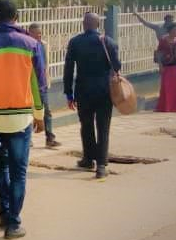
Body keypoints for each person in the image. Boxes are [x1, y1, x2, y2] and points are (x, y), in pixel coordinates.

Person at [0, 0, 46, 240]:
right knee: (18, 171)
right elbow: (39, 83)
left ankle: (4, 213)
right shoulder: (31, 44)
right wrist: (39, 114)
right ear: (16, 16)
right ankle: (13, 223)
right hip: (21, 118)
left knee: (0, 166)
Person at [63, 13, 121, 179]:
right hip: (104, 91)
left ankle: (88, 159)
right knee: (103, 127)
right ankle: (101, 165)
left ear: (84, 24)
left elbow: (68, 69)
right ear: (97, 24)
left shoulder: (75, 42)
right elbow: (116, 65)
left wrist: (68, 93)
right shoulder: (108, 42)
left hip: (83, 90)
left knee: (86, 126)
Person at [28, 23, 61, 148]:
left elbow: (45, 65)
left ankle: (50, 138)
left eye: (40, 33)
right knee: (30, 112)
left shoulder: (43, 45)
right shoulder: (27, 46)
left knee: (47, 111)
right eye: (37, 34)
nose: (39, 36)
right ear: (30, 33)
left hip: (43, 84)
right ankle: (29, 139)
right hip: (30, 85)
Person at [155, 21, 176, 113]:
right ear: (170, 31)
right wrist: (160, 65)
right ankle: (167, 106)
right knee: (167, 87)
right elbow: (159, 54)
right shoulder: (163, 41)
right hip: (167, 67)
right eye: (174, 30)